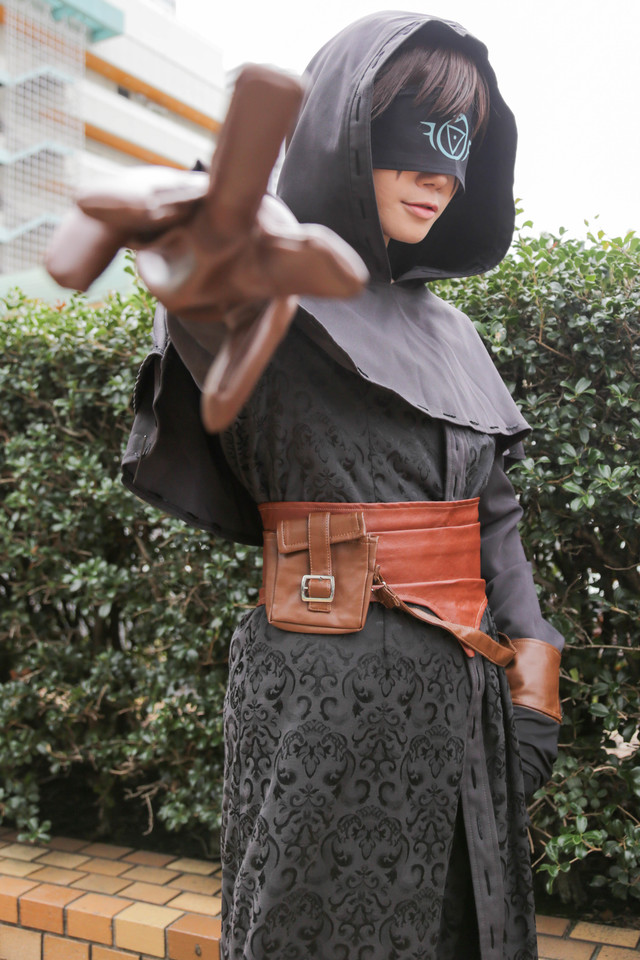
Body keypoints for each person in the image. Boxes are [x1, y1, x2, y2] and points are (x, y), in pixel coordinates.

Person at [48, 12, 564, 960]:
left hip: (468, 712)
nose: (440, 174)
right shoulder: (271, 292)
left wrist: (535, 683)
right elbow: (216, 303)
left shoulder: (457, 337)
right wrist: (203, 256)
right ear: (343, 129)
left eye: (461, 144)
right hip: (324, 710)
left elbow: (497, 525)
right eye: (415, 133)